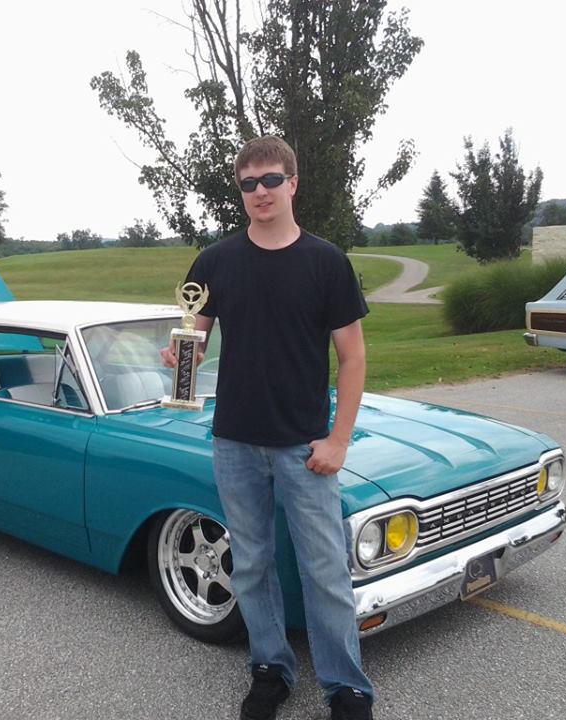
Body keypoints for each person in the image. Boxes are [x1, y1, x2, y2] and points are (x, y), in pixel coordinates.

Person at [162, 136, 374, 720]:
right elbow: (195, 335)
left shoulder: (326, 262)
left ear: (293, 184)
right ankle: (270, 669)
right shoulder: (215, 261)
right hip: (234, 439)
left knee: (325, 569)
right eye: (249, 183)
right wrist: (180, 356)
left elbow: (352, 358)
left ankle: (346, 688)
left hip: (304, 445)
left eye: (271, 180)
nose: (260, 192)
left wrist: (339, 439)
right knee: (251, 564)